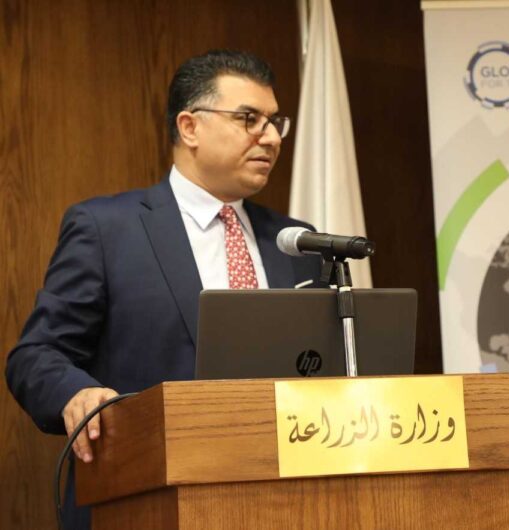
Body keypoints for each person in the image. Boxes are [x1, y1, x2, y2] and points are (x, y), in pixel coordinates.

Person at [5, 49, 322, 529]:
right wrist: (77, 394)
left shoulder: (295, 241)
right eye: (249, 119)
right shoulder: (106, 229)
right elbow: (35, 355)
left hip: (282, 501)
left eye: (275, 122)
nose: (272, 137)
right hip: (143, 499)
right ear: (190, 127)